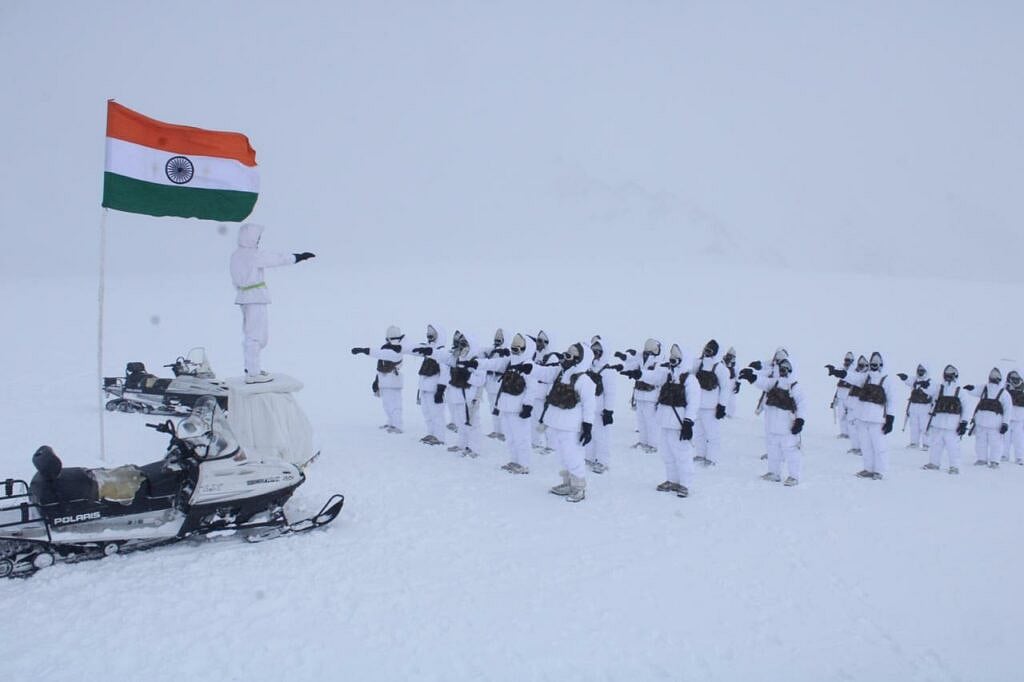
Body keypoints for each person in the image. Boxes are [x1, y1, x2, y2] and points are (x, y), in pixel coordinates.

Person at [229, 223, 315, 383]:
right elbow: (276, 259)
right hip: (255, 297)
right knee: (256, 335)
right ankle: (253, 373)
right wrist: (297, 257)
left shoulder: (236, 255)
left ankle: (252, 368)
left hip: (244, 297)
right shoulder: (252, 255)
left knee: (252, 334)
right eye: (257, 237)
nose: (258, 241)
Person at [533, 343, 598, 503]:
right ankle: (567, 483)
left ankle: (579, 487)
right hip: (556, 422)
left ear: (579, 359)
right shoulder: (560, 373)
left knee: (572, 455)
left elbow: (589, 405)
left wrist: (587, 427)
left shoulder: (584, 380)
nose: (565, 358)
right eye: (565, 354)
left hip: (571, 426)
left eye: (569, 356)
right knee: (562, 456)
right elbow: (544, 372)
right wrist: (530, 368)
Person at [742, 358, 806, 486]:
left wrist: (800, 421)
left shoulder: (795, 387)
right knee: (772, 450)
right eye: (782, 368)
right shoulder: (775, 383)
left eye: (787, 368)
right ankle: (774, 473)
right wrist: (752, 377)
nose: (784, 371)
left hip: (788, 427)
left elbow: (802, 405)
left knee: (791, 451)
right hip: (773, 425)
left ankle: (794, 476)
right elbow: (763, 382)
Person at [479, 334, 536, 474]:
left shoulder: (529, 366)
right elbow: (493, 363)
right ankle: (514, 460)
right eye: (513, 348)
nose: (515, 351)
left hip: (519, 409)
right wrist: (477, 363)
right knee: (510, 437)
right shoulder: (509, 362)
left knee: (521, 437)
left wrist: (528, 405)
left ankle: (523, 464)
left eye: (518, 348)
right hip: (505, 406)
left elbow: (532, 388)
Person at [652, 344, 700, 497]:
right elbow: (653, 377)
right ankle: (672, 480)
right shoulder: (668, 375)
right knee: (667, 453)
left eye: (676, 358)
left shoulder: (689, 379)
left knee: (682, 454)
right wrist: (639, 373)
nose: (673, 360)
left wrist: (688, 421)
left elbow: (694, 402)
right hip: (665, 421)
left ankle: (685, 483)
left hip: (679, 424)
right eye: (671, 357)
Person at [847, 351, 895, 480]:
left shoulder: (886, 379)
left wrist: (890, 419)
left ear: (882, 364)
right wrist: (839, 373)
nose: (874, 366)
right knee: (865, 445)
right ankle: (868, 468)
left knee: (879, 446)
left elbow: (891, 400)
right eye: (872, 363)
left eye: (877, 363)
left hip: (877, 420)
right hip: (863, 418)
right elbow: (853, 378)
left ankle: (880, 470)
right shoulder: (866, 377)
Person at [350, 326, 407, 433]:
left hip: (393, 379)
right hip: (384, 380)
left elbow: (393, 360)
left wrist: (364, 350)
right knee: (387, 404)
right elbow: (380, 366)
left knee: (395, 404)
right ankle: (391, 422)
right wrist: (376, 381)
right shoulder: (384, 348)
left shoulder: (399, 349)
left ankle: (397, 425)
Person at [921, 364, 967, 475]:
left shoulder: (960, 391)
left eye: (951, 375)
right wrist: (925, 386)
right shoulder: (939, 387)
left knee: (953, 447)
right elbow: (929, 390)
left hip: (952, 425)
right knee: (936, 444)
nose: (948, 377)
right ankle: (934, 463)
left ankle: (954, 466)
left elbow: (966, 408)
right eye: (947, 374)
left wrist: (964, 422)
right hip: (938, 422)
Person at [585, 336, 621, 474]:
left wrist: (608, 411)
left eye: (599, 351)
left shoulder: (608, 371)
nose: (596, 353)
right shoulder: (589, 368)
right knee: (589, 434)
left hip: (600, 411)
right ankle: (589, 457)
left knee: (602, 437)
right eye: (594, 350)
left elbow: (610, 393)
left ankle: (602, 461)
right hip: (589, 409)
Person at [620, 338, 663, 453]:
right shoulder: (641, 357)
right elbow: (632, 364)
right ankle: (643, 442)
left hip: (652, 396)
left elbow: (657, 377)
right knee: (641, 421)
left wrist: (641, 374)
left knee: (651, 422)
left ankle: (653, 445)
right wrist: (624, 369)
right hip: (640, 394)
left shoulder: (660, 361)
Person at [692, 339, 730, 467]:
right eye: (706, 349)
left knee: (712, 434)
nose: (707, 352)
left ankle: (712, 458)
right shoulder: (699, 364)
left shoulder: (720, 368)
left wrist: (722, 405)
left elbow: (725, 388)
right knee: (698, 433)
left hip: (711, 408)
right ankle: (700, 454)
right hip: (697, 406)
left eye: (710, 350)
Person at [408, 324, 448, 445]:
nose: (429, 336)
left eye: (432, 334)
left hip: (434, 389)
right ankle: (431, 433)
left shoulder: (442, 352)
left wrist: (441, 389)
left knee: (437, 414)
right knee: (427, 413)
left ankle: (439, 437)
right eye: (428, 333)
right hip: (425, 388)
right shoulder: (427, 351)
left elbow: (445, 373)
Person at [965, 367, 1012, 468]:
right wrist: (970, 388)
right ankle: (981, 459)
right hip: (981, 422)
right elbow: (975, 390)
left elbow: (1008, 410)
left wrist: (1005, 423)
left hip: (995, 425)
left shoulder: (1004, 393)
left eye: (996, 377)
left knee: (996, 444)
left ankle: (995, 461)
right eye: (992, 376)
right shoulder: (984, 388)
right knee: (980, 442)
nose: (993, 379)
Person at [483, 329, 510, 442]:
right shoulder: (492, 351)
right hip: (490, 383)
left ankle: (503, 432)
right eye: (496, 339)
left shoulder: (507, 352)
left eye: (500, 339)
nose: (497, 341)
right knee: (492, 408)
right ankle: (497, 430)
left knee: (501, 409)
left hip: (500, 384)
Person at [898, 364, 933, 449]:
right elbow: (908, 380)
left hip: (925, 407)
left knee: (925, 426)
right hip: (914, 406)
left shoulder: (931, 381)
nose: (920, 372)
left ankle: (926, 444)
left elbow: (933, 391)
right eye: (919, 370)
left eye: (922, 370)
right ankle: (914, 443)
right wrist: (904, 377)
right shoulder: (914, 380)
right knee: (914, 425)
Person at [827, 352, 855, 439]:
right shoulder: (842, 369)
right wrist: (835, 399)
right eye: (846, 360)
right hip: (841, 397)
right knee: (841, 415)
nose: (846, 362)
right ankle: (844, 433)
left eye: (848, 360)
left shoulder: (853, 371)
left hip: (849, 397)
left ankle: (851, 433)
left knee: (850, 417)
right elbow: (838, 388)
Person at [1004, 370, 1024, 465]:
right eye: (1012, 377)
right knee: (1005, 438)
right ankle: (1004, 455)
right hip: (1007, 418)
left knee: (1019, 439)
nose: (1015, 379)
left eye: (1016, 376)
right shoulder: (1005, 387)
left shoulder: (1023, 388)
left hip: (1019, 418)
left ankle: (1019, 457)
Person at [722, 347, 740, 417]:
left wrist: (738, 383)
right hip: (724, 381)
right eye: (729, 355)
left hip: (731, 383)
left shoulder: (735, 364)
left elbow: (738, 374)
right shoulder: (722, 361)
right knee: (723, 398)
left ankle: (730, 414)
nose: (730, 357)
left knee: (731, 400)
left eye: (732, 356)